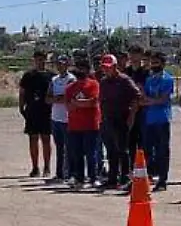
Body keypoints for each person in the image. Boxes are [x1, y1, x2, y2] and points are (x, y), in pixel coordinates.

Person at [97, 54, 137, 189]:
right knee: (110, 150)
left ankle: (125, 177)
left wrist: (131, 116)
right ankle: (112, 178)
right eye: (104, 67)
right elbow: (101, 100)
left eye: (108, 67)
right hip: (107, 118)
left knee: (122, 150)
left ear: (115, 67)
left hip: (121, 118)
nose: (106, 70)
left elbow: (137, 97)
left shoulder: (124, 80)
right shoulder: (103, 82)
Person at [138, 51, 176, 191]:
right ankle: (148, 177)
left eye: (156, 62)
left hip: (162, 119)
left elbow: (163, 99)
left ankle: (163, 180)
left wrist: (148, 100)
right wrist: (146, 98)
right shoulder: (149, 79)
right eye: (152, 62)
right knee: (147, 150)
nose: (153, 65)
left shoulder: (167, 79)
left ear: (163, 63)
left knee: (162, 151)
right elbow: (144, 99)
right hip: (149, 120)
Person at [64, 59, 101, 187]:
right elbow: (68, 106)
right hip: (74, 126)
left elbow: (93, 102)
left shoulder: (93, 84)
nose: (80, 71)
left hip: (91, 125)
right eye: (78, 68)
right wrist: (82, 103)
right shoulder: (70, 87)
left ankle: (93, 177)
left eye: (83, 68)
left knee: (91, 154)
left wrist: (77, 103)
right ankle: (79, 178)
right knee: (77, 154)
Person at [18, 51, 54, 177]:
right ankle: (35, 167)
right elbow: (22, 92)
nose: (40, 61)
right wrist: (21, 107)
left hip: (47, 111)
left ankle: (47, 167)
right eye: (38, 59)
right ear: (34, 60)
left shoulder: (51, 76)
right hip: (32, 110)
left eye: (42, 59)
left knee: (46, 139)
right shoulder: (28, 75)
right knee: (33, 139)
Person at [47, 55, 74, 183]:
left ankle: (68, 172)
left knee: (69, 147)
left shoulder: (71, 79)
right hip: (55, 117)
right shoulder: (54, 80)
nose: (60, 66)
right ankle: (59, 173)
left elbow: (68, 97)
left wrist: (57, 98)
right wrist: (58, 98)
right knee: (59, 147)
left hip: (67, 118)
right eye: (58, 64)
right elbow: (48, 98)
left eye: (63, 64)